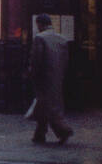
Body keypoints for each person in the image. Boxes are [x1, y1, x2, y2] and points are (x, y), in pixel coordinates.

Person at [29, 14, 74, 144]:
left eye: (38, 24)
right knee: (47, 104)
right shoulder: (62, 38)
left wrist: (32, 73)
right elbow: (66, 60)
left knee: (47, 105)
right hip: (57, 76)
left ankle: (63, 131)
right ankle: (39, 134)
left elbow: (37, 59)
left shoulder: (39, 38)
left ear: (40, 24)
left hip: (43, 77)